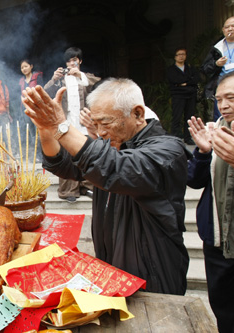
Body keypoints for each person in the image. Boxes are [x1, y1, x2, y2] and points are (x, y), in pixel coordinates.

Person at [22, 78, 190, 295]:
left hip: (153, 274)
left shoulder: (168, 151)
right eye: (95, 124)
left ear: (138, 114)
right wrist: (46, 130)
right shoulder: (112, 146)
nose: (99, 132)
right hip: (113, 267)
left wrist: (60, 127)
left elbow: (115, 167)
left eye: (106, 122)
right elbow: (65, 166)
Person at [187, 72, 234, 333]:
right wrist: (204, 152)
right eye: (219, 99)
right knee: (221, 305)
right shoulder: (217, 130)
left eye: (231, 98)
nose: (223, 105)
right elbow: (194, 181)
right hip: (215, 237)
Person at [44, 47, 100, 202]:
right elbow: (44, 93)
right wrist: (54, 79)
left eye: (74, 60)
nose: (71, 63)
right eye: (69, 61)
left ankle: (88, 187)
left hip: (85, 123)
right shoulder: (61, 79)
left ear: (80, 61)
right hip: (67, 123)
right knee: (69, 155)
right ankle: (69, 191)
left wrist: (79, 75)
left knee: (88, 155)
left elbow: (100, 85)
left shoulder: (86, 77)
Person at [202, 16, 234, 121]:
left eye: (233, 26)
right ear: (223, 30)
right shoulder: (217, 48)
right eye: (227, 27)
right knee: (222, 116)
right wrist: (216, 64)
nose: (230, 29)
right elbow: (205, 69)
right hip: (222, 86)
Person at [166, 47, 199, 144]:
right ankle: (175, 138)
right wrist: (187, 82)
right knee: (177, 116)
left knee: (189, 117)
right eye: (179, 54)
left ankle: (188, 138)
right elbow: (174, 80)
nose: (181, 56)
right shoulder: (171, 69)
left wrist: (184, 83)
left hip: (191, 95)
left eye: (183, 54)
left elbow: (196, 79)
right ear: (175, 57)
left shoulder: (190, 68)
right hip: (178, 95)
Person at [19, 59, 44, 161]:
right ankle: (36, 156)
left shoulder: (37, 78)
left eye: (26, 66)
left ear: (31, 66)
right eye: (22, 67)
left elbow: (42, 92)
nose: (24, 69)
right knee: (31, 134)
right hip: (26, 111)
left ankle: (44, 155)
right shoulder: (21, 81)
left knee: (40, 133)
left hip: (37, 109)